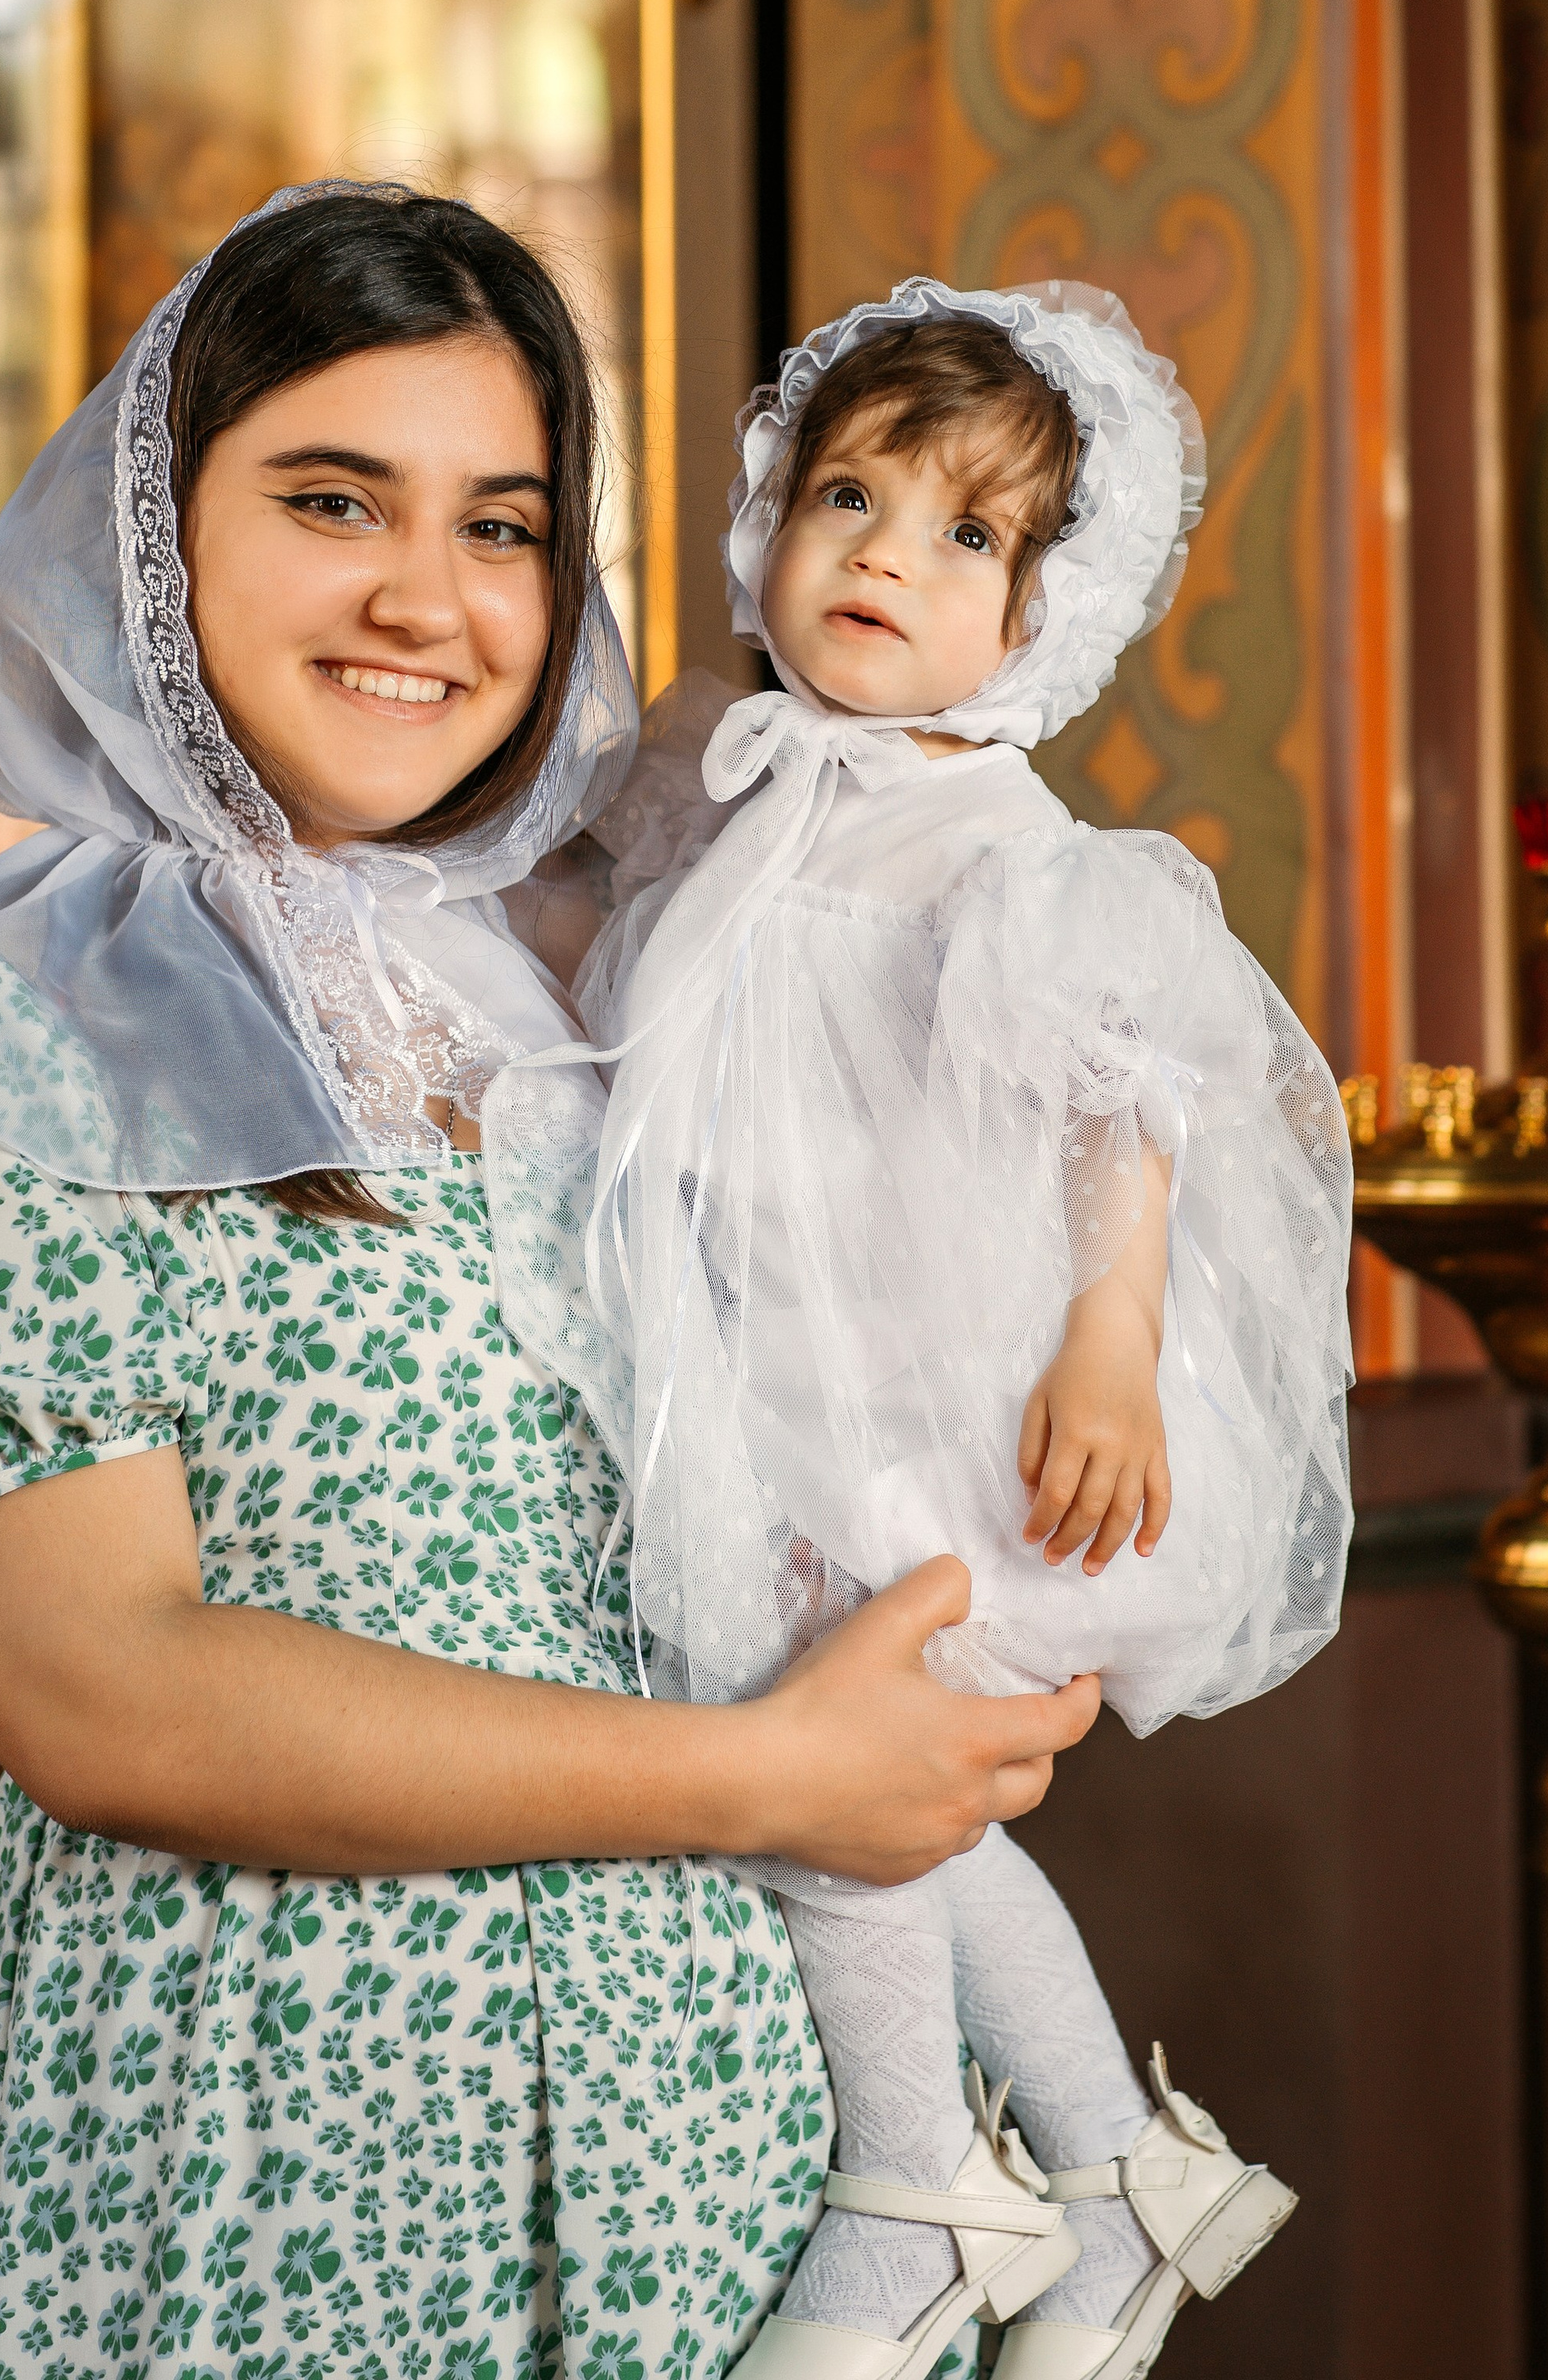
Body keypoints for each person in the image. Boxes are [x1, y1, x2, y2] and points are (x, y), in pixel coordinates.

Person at [0, 193, 1098, 2380]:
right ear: (154, 523)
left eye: (500, 525)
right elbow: (108, 1699)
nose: (430, 597)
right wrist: (770, 1778)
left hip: (747, 2175)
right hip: (278, 2159)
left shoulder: (608, 980)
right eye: (329, 501)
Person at [499, 279, 1354, 2380]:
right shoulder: (713, 774)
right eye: (845, 492)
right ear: (762, 519)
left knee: (843, 1774)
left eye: (964, 535)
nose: (881, 550)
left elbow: (1124, 1096)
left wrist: (1113, 1330)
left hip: (921, 1391)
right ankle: (1111, 2171)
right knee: (896, 1792)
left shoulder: (1014, 849)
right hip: (751, 1363)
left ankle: (915, 2181)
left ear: (1047, 612)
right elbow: (547, 940)